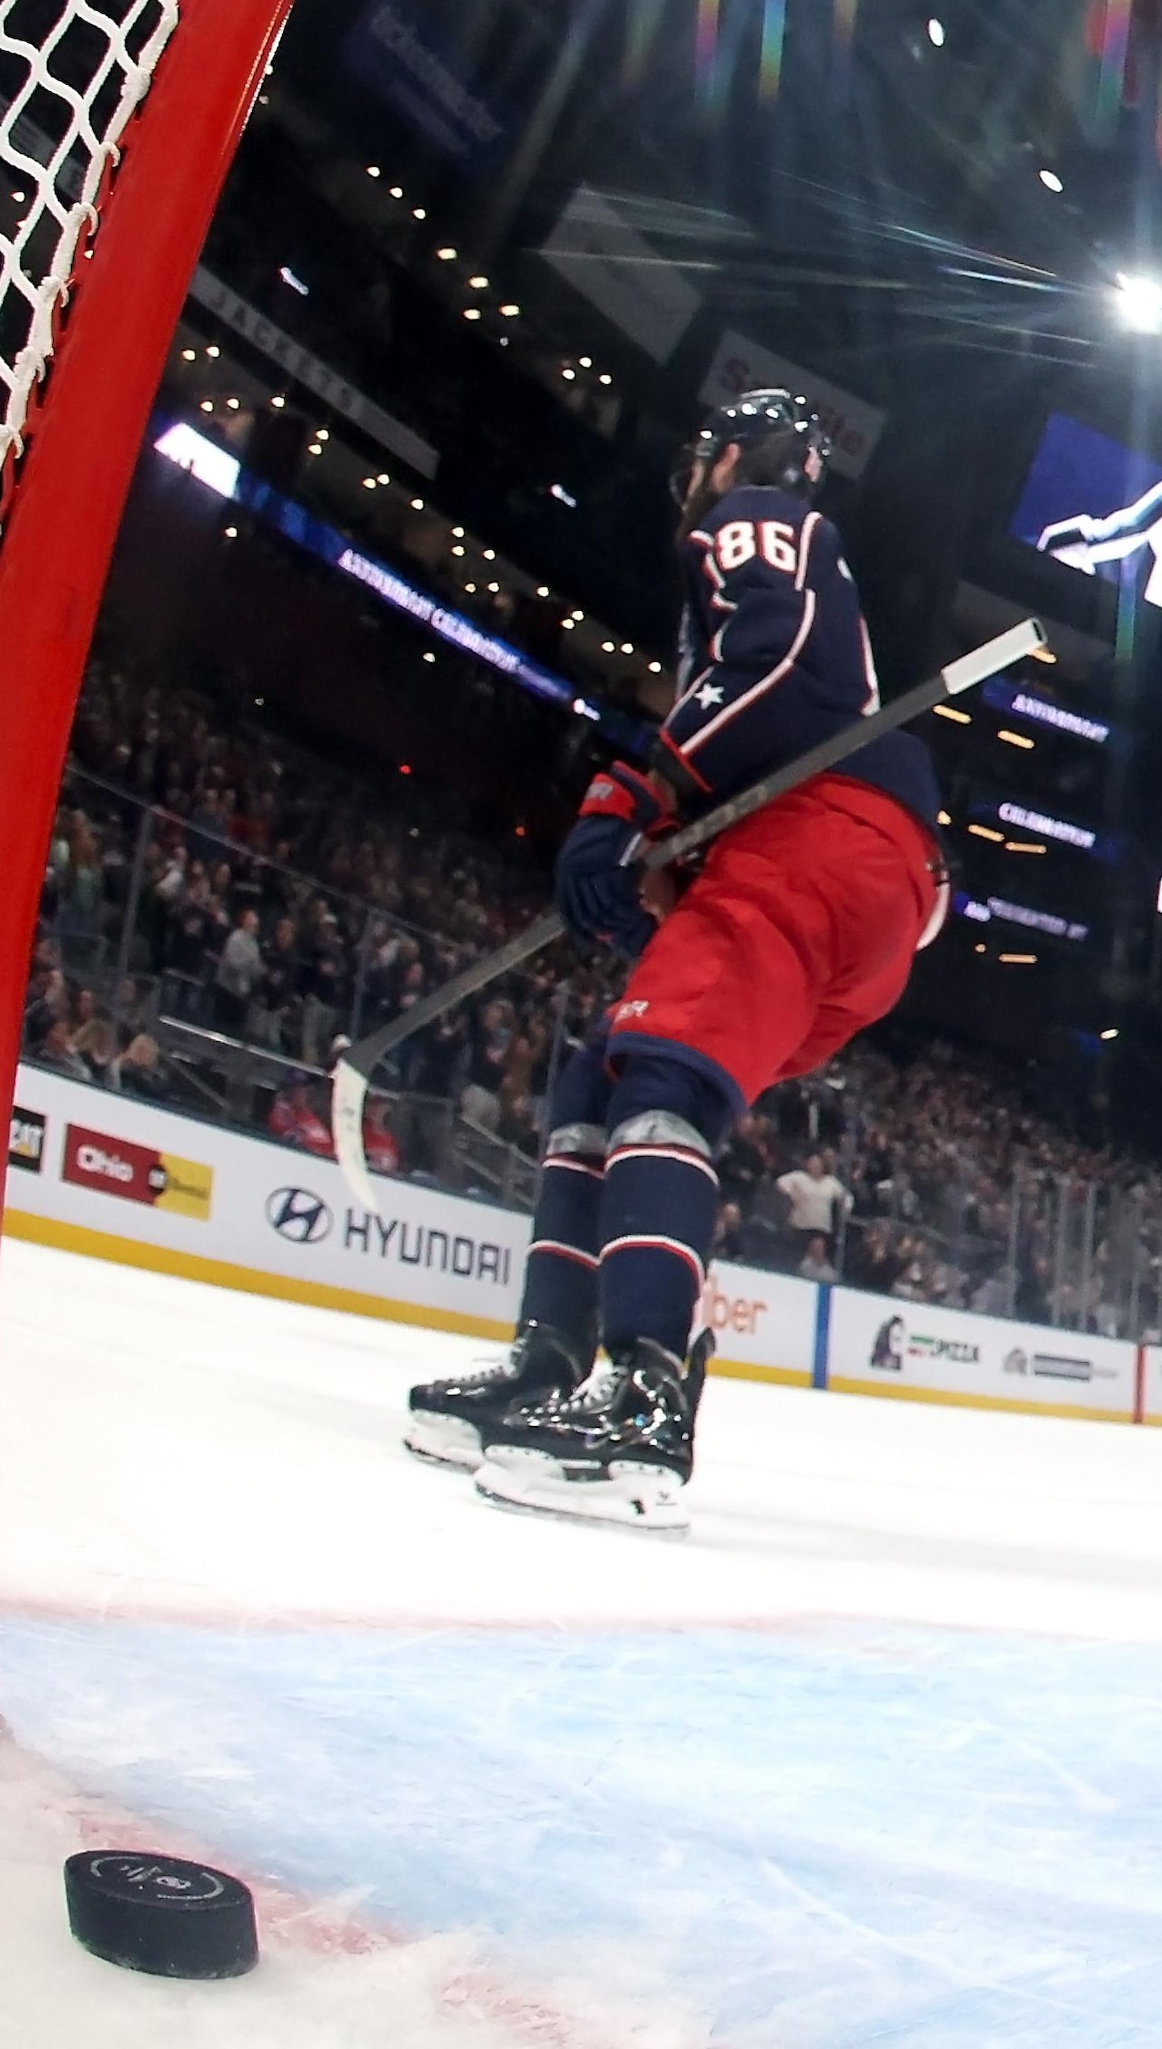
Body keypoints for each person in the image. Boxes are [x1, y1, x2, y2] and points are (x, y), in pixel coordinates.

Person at [402, 389, 949, 1522]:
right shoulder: (775, 548)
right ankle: (551, 1361)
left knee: (660, 1074)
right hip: (848, 881)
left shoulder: (755, 508)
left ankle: (643, 1396)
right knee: (605, 1072)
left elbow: (771, 651)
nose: (697, 477)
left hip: (828, 838)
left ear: (744, 454)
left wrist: (634, 788)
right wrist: (674, 857)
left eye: (708, 456)